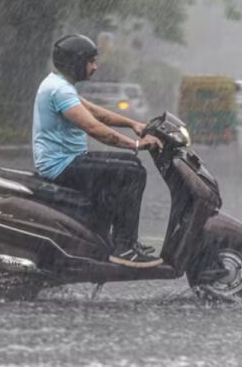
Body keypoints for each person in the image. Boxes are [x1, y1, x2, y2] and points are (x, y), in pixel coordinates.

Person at [32, 34, 163, 268]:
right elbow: (94, 128)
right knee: (133, 173)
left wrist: (134, 124)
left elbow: (97, 113)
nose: (95, 67)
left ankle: (115, 240)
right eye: (90, 61)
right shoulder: (59, 91)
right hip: (62, 165)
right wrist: (134, 144)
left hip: (68, 160)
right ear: (75, 62)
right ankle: (124, 247)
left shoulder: (59, 84)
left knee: (131, 165)